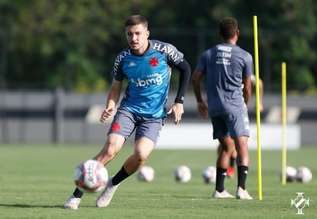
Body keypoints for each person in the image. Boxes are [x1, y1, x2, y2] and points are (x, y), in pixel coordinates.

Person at [64, 14, 191, 209]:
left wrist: (179, 101)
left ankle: (112, 184)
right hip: (128, 110)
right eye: (129, 34)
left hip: (154, 117)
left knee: (140, 155)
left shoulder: (164, 50)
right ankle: (76, 195)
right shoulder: (123, 58)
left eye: (138, 33)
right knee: (110, 149)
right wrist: (110, 105)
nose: (134, 38)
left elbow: (186, 69)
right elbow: (116, 87)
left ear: (147, 33)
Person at [192, 17, 253, 199]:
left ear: (220, 34)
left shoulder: (208, 54)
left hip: (215, 107)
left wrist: (200, 101)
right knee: (241, 145)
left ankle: (219, 190)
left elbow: (195, 78)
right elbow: (248, 86)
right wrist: (245, 102)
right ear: (237, 33)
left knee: (226, 147)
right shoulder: (244, 56)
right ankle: (241, 189)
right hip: (235, 106)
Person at [225, 75, 263, 178]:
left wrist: (259, 102)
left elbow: (259, 83)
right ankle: (228, 167)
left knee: (239, 141)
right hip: (226, 108)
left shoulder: (242, 69)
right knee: (226, 143)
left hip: (240, 111)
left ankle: (232, 169)